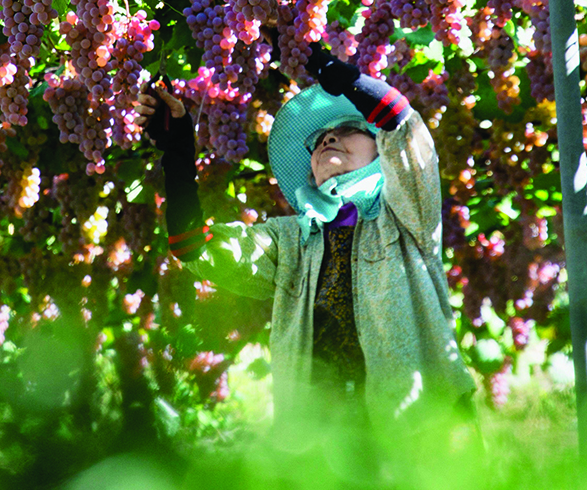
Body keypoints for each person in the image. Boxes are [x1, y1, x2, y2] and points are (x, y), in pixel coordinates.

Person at [140, 42, 476, 430]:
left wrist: (327, 64)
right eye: (317, 141)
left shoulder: (404, 217)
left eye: (348, 129)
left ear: (381, 152)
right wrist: (179, 150)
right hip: (322, 445)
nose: (327, 140)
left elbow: (402, 127)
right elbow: (192, 245)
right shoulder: (291, 242)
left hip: (420, 434)